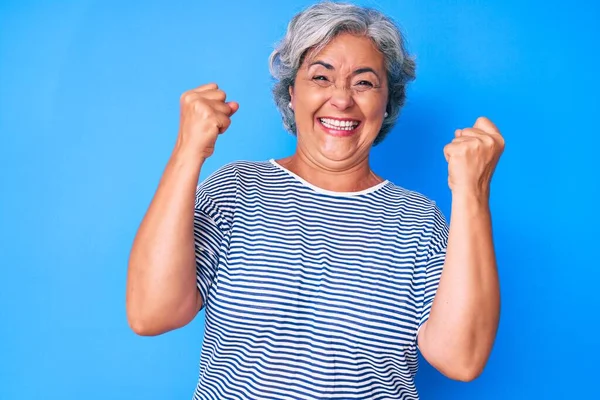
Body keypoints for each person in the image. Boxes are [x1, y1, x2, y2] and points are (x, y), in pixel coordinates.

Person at [126, 1, 505, 399]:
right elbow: (151, 313)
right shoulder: (236, 188)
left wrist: (472, 193)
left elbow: (461, 358)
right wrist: (188, 152)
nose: (341, 99)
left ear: (387, 102)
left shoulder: (418, 219)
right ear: (292, 93)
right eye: (321, 77)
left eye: (364, 82)